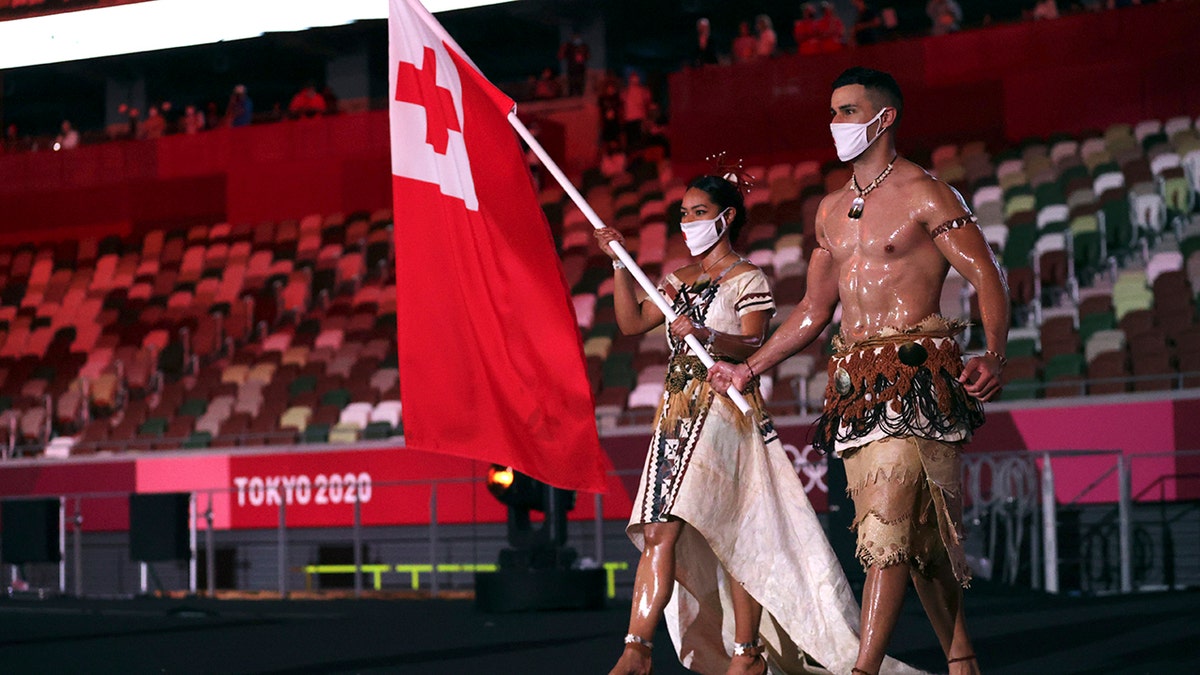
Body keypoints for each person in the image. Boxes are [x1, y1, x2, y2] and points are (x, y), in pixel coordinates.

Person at [709, 67, 1006, 675]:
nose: (835, 123)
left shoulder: (929, 194)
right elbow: (815, 310)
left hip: (917, 377)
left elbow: (986, 275)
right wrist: (750, 367)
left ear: (884, 117)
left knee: (887, 531)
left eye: (847, 111)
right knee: (914, 543)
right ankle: (962, 660)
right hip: (854, 386)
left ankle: (862, 669)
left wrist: (994, 353)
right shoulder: (828, 210)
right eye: (834, 111)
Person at [598, 172, 921, 675]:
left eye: (698, 212)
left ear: (726, 219)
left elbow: (753, 343)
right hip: (676, 414)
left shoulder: (749, 279)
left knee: (731, 532)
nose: (687, 222)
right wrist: (620, 265)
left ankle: (746, 652)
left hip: (725, 412)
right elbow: (630, 322)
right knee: (659, 527)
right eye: (683, 214)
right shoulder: (678, 279)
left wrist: (706, 333)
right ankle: (636, 648)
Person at [620, 71, 653, 150]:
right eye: (633, 78)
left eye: (636, 77)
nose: (634, 80)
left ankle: (637, 158)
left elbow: (647, 104)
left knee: (638, 141)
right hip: (630, 119)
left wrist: (646, 118)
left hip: (638, 119)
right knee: (633, 141)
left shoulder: (643, 91)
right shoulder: (626, 92)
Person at [558, 32, 590, 97]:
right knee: (571, 84)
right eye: (575, 37)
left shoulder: (584, 46)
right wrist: (563, 48)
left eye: (577, 37)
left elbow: (588, 56)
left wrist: (582, 57)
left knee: (580, 83)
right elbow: (560, 56)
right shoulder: (569, 46)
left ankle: (580, 96)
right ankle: (571, 96)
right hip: (571, 68)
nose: (576, 39)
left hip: (581, 68)